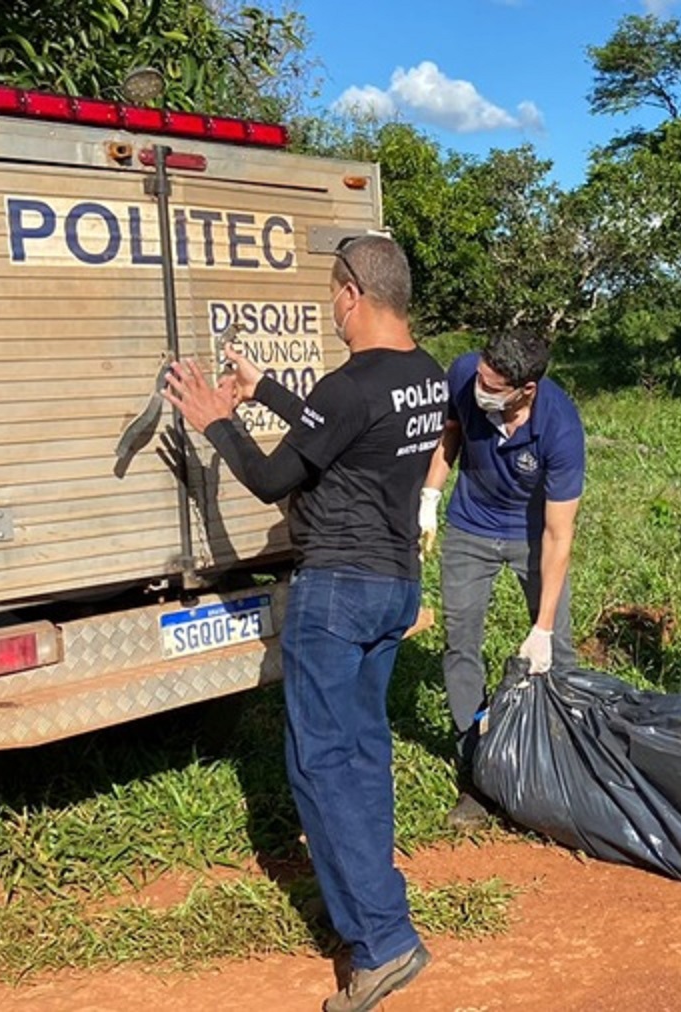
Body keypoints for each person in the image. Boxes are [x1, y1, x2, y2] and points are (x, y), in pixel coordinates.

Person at [164, 235, 448, 1012]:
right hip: (393, 588)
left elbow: (269, 479)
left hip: (336, 594)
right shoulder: (424, 376)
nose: (332, 308)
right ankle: (376, 905)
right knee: (361, 753)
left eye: (332, 294)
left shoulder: (350, 384)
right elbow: (348, 434)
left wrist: (219, 418)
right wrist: (267, 392)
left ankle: (381, 943)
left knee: (321, 769)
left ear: (353, 293)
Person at [419, 328, 585, 830]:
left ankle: (564, 764)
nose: (481, 390)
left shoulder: (560, 427)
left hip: (532, 535)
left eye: (495, 386)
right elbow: (450, 431)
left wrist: (542, 626)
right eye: (481, 378)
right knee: (460, 644)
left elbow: (559, 535)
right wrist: (430, 497)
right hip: (470, 527)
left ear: (526, 390)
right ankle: (479, 772)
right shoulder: (465, 373)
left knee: (559, 650)